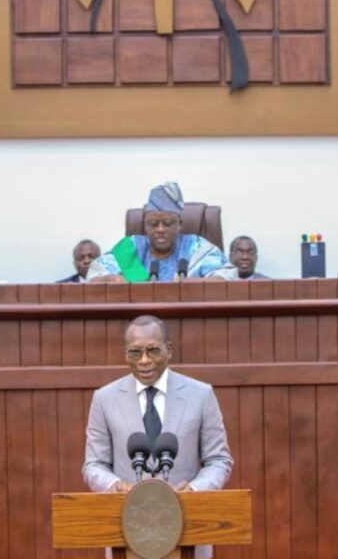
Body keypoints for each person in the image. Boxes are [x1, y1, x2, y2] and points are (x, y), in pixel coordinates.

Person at [83, 315, 233, 495]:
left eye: (153, 350)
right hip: (126, 512)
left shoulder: (201, 395)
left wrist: (195, 489)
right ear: (126, 353)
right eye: (135, 352)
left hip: (184, 512)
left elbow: (218, 460)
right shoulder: (104, 398)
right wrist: (113, 484)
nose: (144, 360)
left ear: (168, 350)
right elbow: (94, 464)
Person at [87, 182, 237, 282]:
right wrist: (109, 279)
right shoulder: (131, 247)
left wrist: (199, 283)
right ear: (145, 226)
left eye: (167, 223)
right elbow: (94, 276)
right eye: (153, 224)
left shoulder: (196, 247)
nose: (160, 230)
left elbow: (228, 275)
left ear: (180, 225)